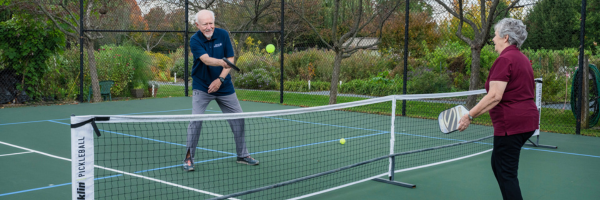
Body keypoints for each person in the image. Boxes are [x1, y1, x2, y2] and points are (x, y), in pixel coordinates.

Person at [457, 18, 537, 200]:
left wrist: (469, 115)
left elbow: (494, 96)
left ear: (505, 37)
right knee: (499, 165)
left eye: (495, 35)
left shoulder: (505, 59)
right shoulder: (522, 59)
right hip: (527, 122)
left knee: (506, 173)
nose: (492, 39)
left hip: (511, 125)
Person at [183, 10, 259, 171]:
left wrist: (220, 79)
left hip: (224, 86)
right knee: (195, 122)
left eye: (211, 23)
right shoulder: (195, 39)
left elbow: (230, 59)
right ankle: (189, 158)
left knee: (239, 118)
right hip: (202, 86)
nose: (209, 27)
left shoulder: (223, 35)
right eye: (205, 24)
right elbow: (205, 59)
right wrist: (221, 62)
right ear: (197, 25)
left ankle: (242, 155)